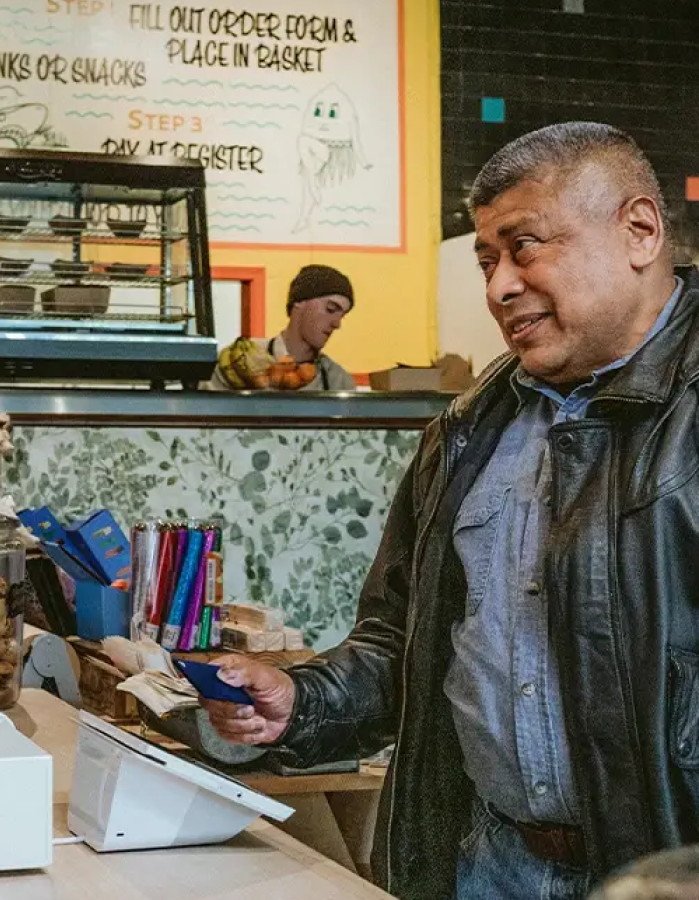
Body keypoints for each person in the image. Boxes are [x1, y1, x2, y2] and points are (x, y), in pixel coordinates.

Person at [205, 121, 698, 900]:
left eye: (526, 246)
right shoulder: (468, 430)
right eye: (486, 261)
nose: (499, 286)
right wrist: (303, 699)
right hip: (488, 863)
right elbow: (401, 643)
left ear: (638, 231)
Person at [209, 263, 358, 391]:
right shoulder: (241, 360)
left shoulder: (338, 381)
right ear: (299, 302)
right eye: (330, 309)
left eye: (342, 315)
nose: (336, 324)